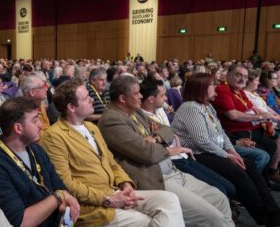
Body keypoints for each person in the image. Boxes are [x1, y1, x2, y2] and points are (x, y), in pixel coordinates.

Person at [41, 79, 184, 226]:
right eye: (85, 98)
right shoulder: (55, 136)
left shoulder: (91, 127)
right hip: (92, 204)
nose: (91, 99)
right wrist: (107, 199)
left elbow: (111, 162)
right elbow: (66, 183)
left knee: (169, 200)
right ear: (71, 107)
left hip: (115, 191)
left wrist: (126, 183)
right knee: (146, 221)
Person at [99, 75, 233, 227]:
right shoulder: (112, 120)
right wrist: (161, 146)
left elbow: (168, 130)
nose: (141, 96)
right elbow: (147, 153)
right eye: (137, 93)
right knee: (212, 217)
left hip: (173, 171)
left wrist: (154, 138)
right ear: (123, 98)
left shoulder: (135, 112)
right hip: (156, 178)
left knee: (220, 198)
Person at [171, 72, 280, 226]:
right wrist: (227, 155)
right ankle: (264, 217)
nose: (215, 87)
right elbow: (202, 142)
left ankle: (274, 211)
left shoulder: (207, 106)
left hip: (213, 151)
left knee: (249, 165)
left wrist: (232, 151)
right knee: (238, 172)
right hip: (197, 154)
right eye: (211, 85)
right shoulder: (190, 108)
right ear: (201, 88)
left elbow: (221, 133)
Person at [0, 97, 80, 227]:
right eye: (35, 120)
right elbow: (21, 222)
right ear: (18, 128)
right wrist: (58, 197)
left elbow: (60, 186)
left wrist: (68, 200)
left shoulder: (36, 149)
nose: (41, 124)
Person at [139, 78, 235, 198]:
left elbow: (171, 133)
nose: (166, 98)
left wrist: (167, 136)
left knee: (227, 187)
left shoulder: (160, 110)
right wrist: (167, 137)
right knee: (221, 189)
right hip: (171, 160)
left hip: (183, 154)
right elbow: (150, 146)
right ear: (151, 99)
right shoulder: (141, 118)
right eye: (163, 95)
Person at [212, 64, 280, 183]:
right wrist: (259, 116)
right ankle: (247, 182)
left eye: (245, 76)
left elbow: (253, 109)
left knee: (271, 144)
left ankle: (263, 180)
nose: (243, 79)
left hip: (253, 129)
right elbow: (232, 115)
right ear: (228, 75)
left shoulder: (239, 91)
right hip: (237, 133)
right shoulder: (223, 89)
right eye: (238, 75)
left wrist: (263, 120)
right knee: (264, 152)